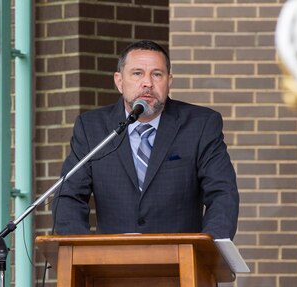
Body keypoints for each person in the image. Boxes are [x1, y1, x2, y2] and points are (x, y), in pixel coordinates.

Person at [52, 40, 239, 239]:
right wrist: (83, 254)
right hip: (110, 263)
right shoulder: (92, 128)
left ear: (169, 81)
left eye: (157, 74)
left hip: (181, 262)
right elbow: (68, 196)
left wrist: (207, 252)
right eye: (137, 73)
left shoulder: (200, 125)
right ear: (119, 81)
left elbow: (222, 193)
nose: (147, 83)